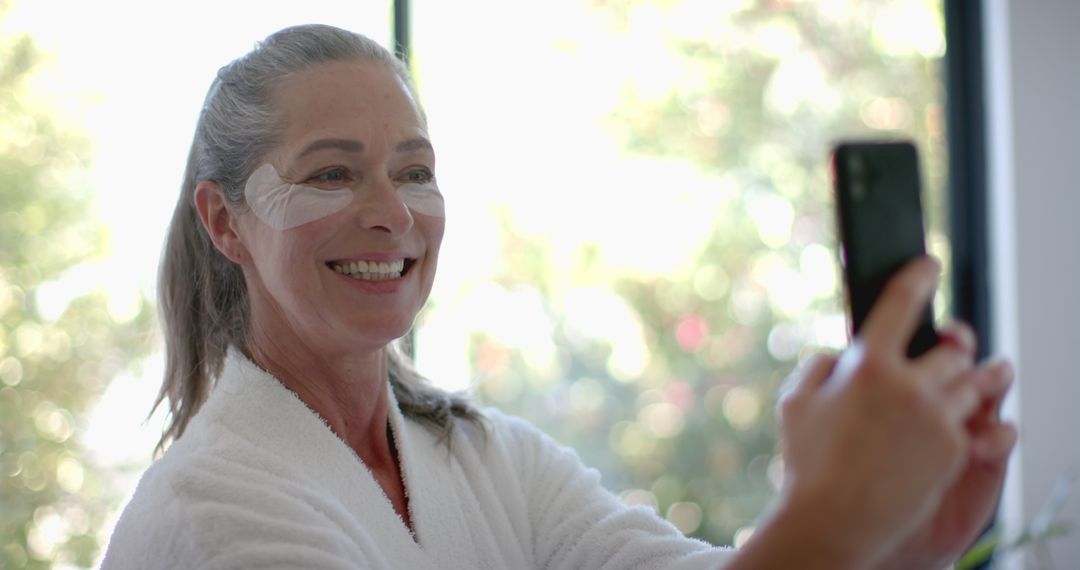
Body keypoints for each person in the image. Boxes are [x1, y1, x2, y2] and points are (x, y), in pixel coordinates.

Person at [101, 24, 1017, 569]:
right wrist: (833, 516)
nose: (391, 214)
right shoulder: (212, 520)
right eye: (332, 174)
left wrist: (897, 545)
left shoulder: (486, 459)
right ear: (224, 223)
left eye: (414, 171)